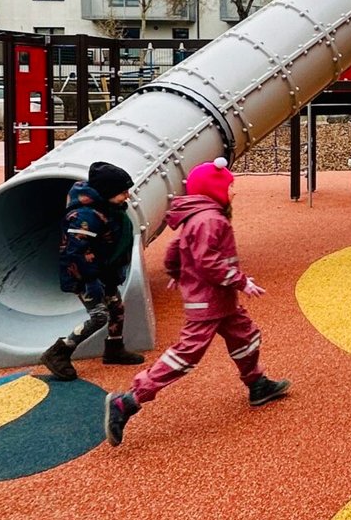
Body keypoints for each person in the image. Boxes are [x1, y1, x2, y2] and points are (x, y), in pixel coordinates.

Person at [105, 156, 289, 446]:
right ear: (214, 190)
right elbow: (208, 262)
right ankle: (128, 400)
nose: (233, 191)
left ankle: (257, 384)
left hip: (220, 301)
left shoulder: (197, 216)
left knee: (246, 336)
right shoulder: (211, 220)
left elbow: (176, 248)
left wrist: (176, 272)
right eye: (229, 186)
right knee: (187, 355)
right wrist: (241, 281)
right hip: (209, 302)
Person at [41, 161, 145, 379]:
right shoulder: (84, 216)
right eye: (122, 192)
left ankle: (114, 348)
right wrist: (90, 279)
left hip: (103, 271)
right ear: (107, 192)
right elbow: (76, 251)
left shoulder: (110, 209)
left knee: (116, 307)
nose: (127, 196)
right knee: (99, 316)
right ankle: (59, 351)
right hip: (84, 275)